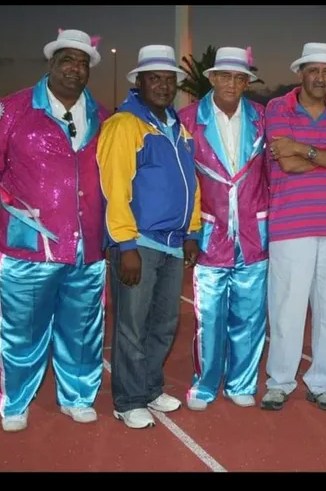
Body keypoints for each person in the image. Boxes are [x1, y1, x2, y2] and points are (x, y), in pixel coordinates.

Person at [0, 29, 109, 432]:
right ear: (50, 63)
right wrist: (23, 207)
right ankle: (16, 402)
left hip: (87, 247)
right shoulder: (10, 110)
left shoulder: (103, 116)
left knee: (82, 330)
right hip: (29, 248)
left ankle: (78, 397)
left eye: (82, 62)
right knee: (21, 331)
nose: (75, 68)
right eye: (67, 60)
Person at [96, 45, 201, 429]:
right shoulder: (125, 125)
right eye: (154, 78)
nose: (163, 86)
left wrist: (192, 231)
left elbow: (191, 184)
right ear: (138, 82)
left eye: (169, 79)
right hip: (139, 243)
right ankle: (128, 400)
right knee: (132, 326)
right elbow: (114, 189)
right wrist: (125, 245)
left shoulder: (177, 127)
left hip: (172, 244)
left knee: (164, 323)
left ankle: (150, 387)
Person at [262, 43, 326, 412]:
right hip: (290, 223)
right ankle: (280, 381)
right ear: (300, 73)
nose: (320, 77)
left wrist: (303, 148)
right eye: (313, 70)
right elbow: (285, 163)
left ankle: (322, 382)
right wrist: (325, 156)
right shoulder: (277, 107)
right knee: (287, 307)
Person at [178, 46, 269, 411]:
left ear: (247, 82)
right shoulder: (187, 119)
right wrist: (188, 231)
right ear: (212, 78)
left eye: (240, 77)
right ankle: (204, 384)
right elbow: (182, 182)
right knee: (209, 316)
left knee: (250, 314)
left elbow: (273, 175)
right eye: (225, 76)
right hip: (209, 233)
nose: (232, 83)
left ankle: (241, 382)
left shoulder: (263, 119)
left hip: (254, 233)